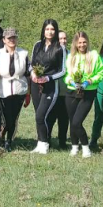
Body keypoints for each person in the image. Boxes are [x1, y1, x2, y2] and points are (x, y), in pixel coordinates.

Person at [63, 31, 103, 157]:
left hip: (88, 92)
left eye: (84, 42)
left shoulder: (94, 55)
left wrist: (89, 81)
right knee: (72, 121)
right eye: (79, 42)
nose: (82, 45)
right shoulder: (70, 57)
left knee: (77, 121)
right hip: (71, 91)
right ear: (75, 43)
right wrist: (71, 81)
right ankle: (75, 146)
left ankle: (86, 147)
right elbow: (66, 75)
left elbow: (101, 73)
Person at [0, 28, 31, 152]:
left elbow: (28, 72)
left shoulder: (23, 53)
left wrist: (29, 92)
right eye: (9, 38)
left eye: (14, 38)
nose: (12, 40)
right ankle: (1, 136)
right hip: (3, 89)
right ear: (4, 40)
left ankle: (8, 141)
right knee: (6, 117)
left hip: (20, 89)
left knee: (13, 118)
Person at [30, 20, 67, 154]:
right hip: (35, 86)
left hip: (50, 86)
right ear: (43, 31)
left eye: (52, 29)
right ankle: (40, 143)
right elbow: (31, 63)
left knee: (41, 116)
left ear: (55, 31)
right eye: (47, 29)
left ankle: (45, 143)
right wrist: (33, 73)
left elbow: (63, 71)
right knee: (38, 116)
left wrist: (48, 78)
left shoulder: (60, 48)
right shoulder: (37, 45)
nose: (49, 32)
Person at [46, 30, 70, 150]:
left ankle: (62, 142)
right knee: (50, 118)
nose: (63, 41)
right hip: (53, 91)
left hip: (66, 92)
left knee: (64, 119)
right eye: (60, 39)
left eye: (65, 38)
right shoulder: (52, 54)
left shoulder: (71, 54)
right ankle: (47, 140)